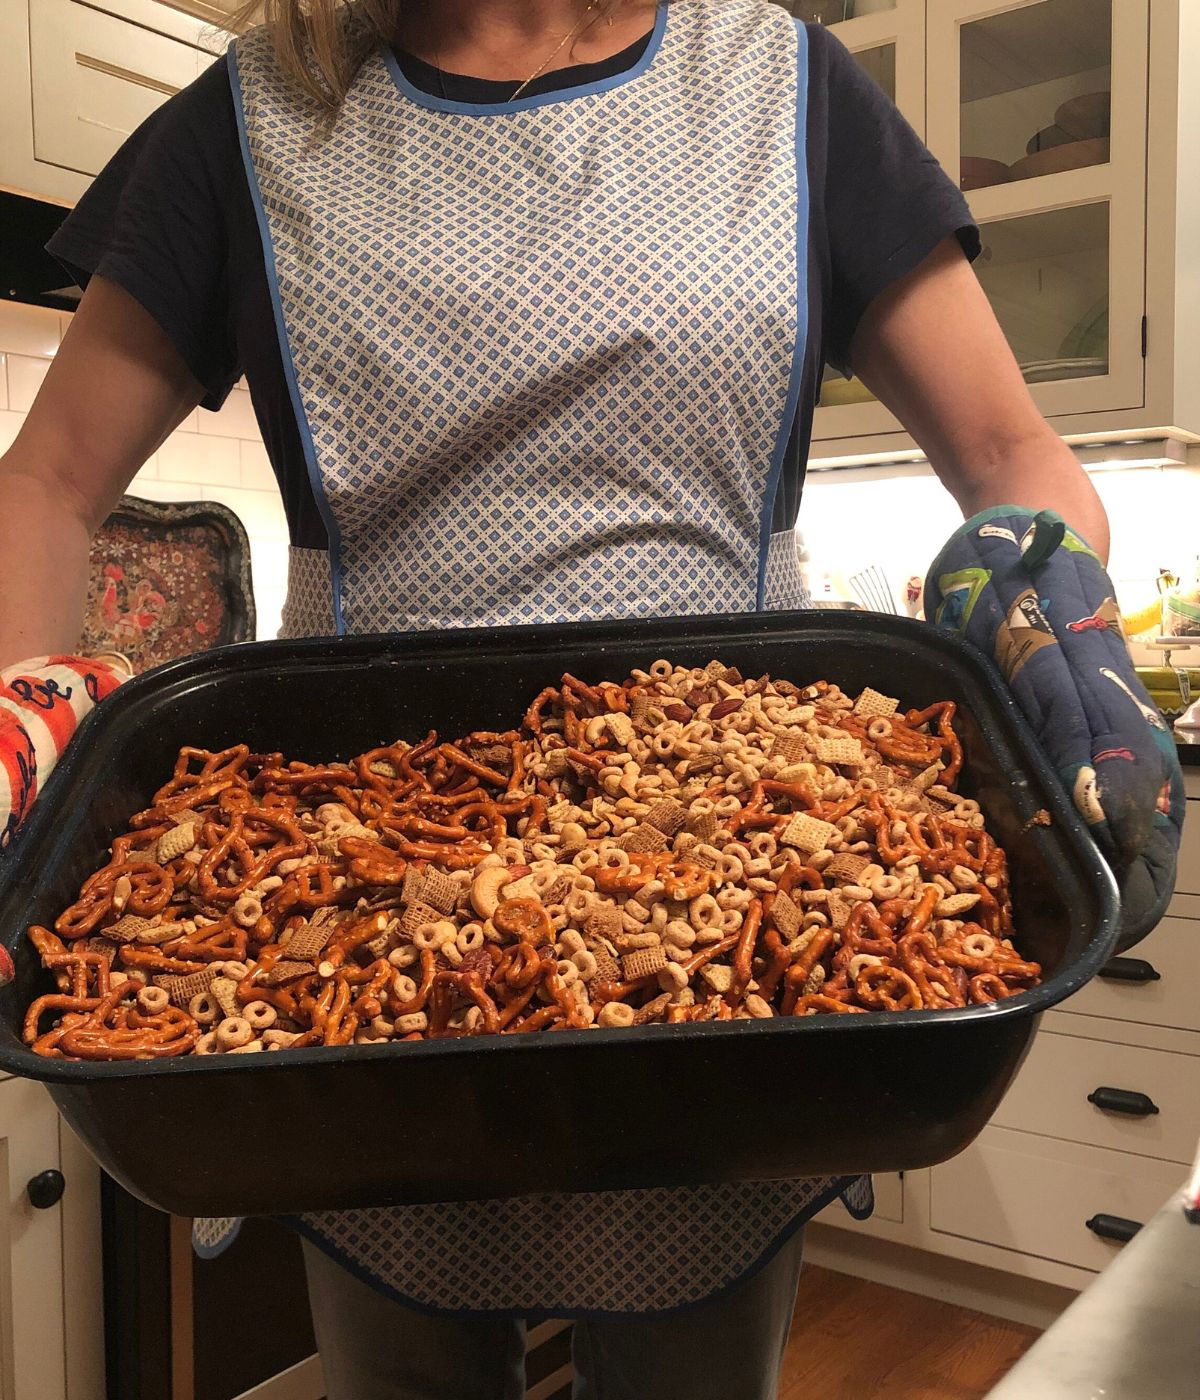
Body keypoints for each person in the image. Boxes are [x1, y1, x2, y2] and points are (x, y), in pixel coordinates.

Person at [0, 1, 1180, 1396]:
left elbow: (1006, 449)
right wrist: (18, 727)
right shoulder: (260, 113)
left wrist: (1047, 605)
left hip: (735, 885)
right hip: (358, 901)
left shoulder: (785, 87)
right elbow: (50, 483)